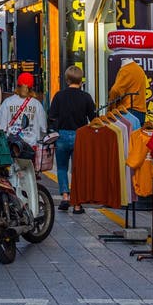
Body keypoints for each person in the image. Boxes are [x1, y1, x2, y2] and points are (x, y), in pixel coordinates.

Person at [48, 65, 96, 213]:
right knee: (78, 170)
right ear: (81, 80)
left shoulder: (59, 96)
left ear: (67, 80)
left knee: (62, 168)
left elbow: (51, 116)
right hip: (79, 135)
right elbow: (93, 118)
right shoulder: (86, 97)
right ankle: (77, 204)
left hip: (62, 135)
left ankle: (65, 196)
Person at [0, 72, 46, 148]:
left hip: (13, 146)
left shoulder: (7, 102)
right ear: (32, 87)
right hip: (31, 147)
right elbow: (43, 128)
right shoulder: (37, 104)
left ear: (17, 85)